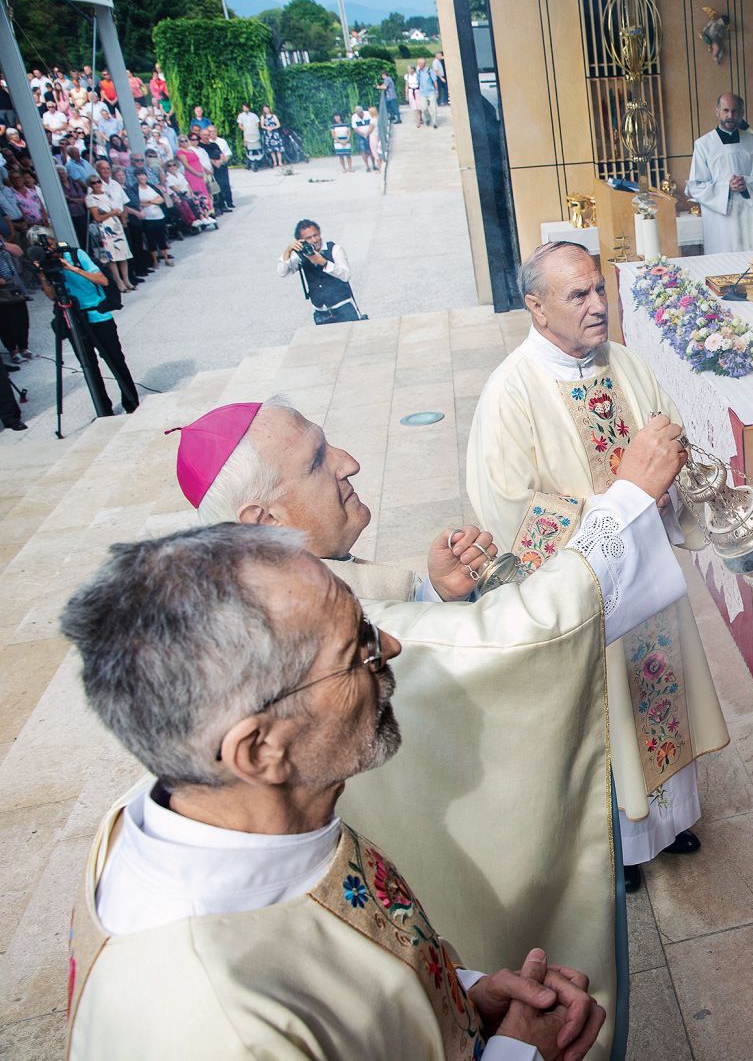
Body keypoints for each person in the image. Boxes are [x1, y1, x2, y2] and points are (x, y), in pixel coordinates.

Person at [176, 397, 691, 1061]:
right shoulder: (298, 629)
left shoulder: (266, 585)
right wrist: (629, 502)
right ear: (262, 519)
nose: (348, 462)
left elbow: (421, 637)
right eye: (315, 459)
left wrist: (435, 598)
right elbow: (519, 637)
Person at [59, 525, 608, 1061]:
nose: (389, 646)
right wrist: (522, 1052)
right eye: (357, 650)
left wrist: (463, 1002)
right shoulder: (220, 1027)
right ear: (259, 751)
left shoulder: (227, 816)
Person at [466, 241, 731, 896]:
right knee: (601, 706)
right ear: (536, 306)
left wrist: (670, 484)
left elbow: (676, 442)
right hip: (588, 583)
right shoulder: (511, 391)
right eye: (576, 295)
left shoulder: (627, 365)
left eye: (597, 290)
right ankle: (619, 841)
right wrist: (620, 502)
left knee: (655, 690)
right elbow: (508, 506)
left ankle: (667, 822)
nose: (595, 306)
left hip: (651, 578)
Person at [29, 227, 140, 414]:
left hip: (98, 314)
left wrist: (72, 268)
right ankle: (103, 409)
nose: (50, 247)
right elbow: (51, 295)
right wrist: (42, 275)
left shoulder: (76, 254)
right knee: (88, 365)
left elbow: (102, 280)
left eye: (50, 242)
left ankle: (131, 402)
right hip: (73, 318)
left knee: (115, 359)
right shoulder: (45, 264)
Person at [686, 92, 753, 254]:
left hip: (749, 217)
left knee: (751, 262)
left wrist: (746, 183)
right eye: (726, 110)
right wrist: (727, 186)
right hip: (720, 221)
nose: (730, 115)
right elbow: (696, 186)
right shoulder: (703, 145)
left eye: (735, 111)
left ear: (742, 113)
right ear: (717, 111)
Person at [279, 218, 360, 324]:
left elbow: (346, 275)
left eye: (316, 235)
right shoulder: (301, 255)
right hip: (321, 312)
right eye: (308, 238)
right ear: (300, 241)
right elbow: (282, 272)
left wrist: (324, 262)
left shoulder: (334, 249)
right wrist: (288, 250)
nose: (314, 240)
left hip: (343, 308)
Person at [85, 172, 135, 293]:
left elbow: (116, 207)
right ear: (90, 185)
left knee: (123, 254)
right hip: (105, 228)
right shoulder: (90, 198)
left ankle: (126, 280)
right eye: (94, 183)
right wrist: (112, 213)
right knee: (112, 257)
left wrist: (118, 215)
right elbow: (97, 217)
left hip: (115, 224)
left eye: (98, 181)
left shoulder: (107, 194)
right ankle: (119, 282)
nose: (97, 184)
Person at [0, 244, 31, 367]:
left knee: (22, 319)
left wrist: (3, 243)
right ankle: (13, 351)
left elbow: (19, 252)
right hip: (2, 293)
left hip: (15, 287)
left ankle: (24, 347)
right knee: (6, 323)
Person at [415, 57, 439, 128]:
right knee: (424, 108)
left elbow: (435, 81)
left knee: (433, 108)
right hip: (422, 93)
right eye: (418, 63)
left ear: (423, 64)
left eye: (419, 63)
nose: (418, 65)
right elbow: (418, 81)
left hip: (431, 92)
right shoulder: (418, 72)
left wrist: (436, 91)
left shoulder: (429, 71)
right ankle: (428, 118)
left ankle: (435, 122)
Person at [352, 105, 377, 172]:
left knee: (371, 149)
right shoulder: (354, 117)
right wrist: (362, 134)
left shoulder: (368, 114)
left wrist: (368, 133)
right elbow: (355, 128)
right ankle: (367, 166)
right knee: (363, 150)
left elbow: (372, 124)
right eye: (358, 113)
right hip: (360, 135)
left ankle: (374, 164)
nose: (360, 114)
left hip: (369, 133)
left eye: (360, 112)